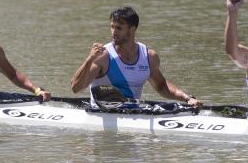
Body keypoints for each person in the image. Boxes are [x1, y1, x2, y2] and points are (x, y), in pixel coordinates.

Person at [70, 6, 202, 108]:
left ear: (132, 30)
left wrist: (188, 98)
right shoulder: (103, 56)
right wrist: (89, 59)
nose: (113, 32)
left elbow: (162, 86)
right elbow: (76, 88)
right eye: (112, 27)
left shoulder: (149, 56)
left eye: (119, 28)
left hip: (133, 112)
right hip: (102, 113)